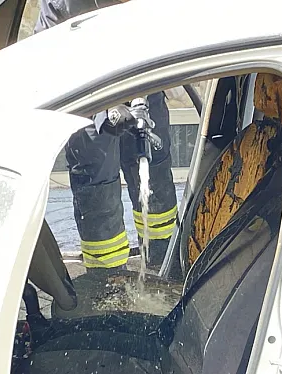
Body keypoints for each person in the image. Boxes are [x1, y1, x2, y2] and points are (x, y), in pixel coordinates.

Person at [34, 0, 179, 275]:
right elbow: (48, 60)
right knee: (98, 187)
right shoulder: (65, 4)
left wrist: (142, 92)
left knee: (155, 173)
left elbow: (166, 29)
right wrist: (103, 107)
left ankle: (164, 258)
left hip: (145, 76)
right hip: (87, 91)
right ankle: (107, 278)